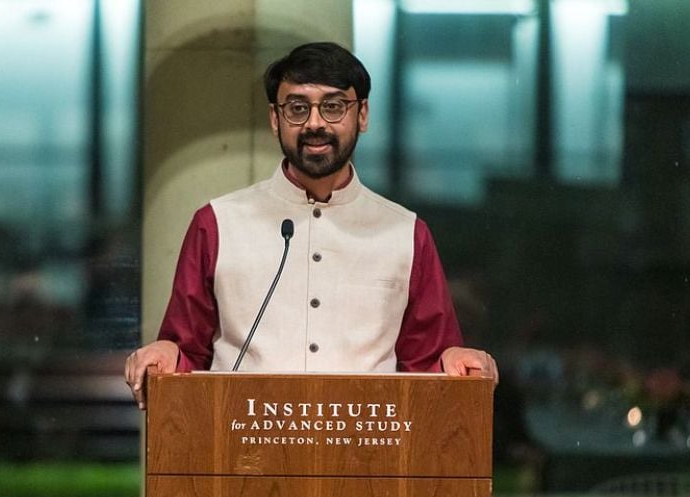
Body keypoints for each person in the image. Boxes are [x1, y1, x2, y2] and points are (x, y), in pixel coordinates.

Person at [125, 42, 498, 409]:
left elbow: (430, 365)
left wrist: (454, 364)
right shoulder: (218, 223)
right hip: (241, 452)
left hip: (369, 457)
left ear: (363, 114)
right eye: (297, 108)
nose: (315, 123)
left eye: (334, 106)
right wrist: (167, 352)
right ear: (275, 119)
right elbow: (185, 354)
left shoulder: (406, 233)